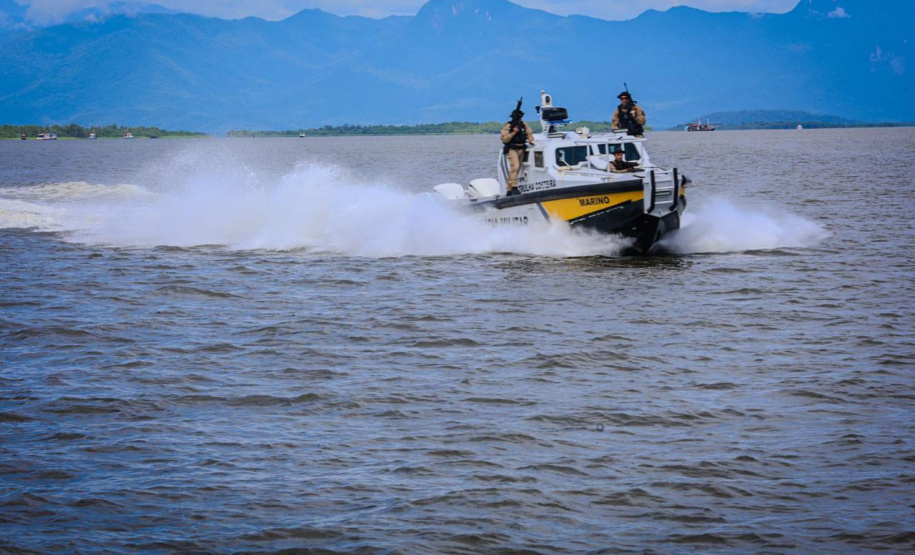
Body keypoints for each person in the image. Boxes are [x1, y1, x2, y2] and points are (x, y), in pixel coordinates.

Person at [500, 104, 535, 196]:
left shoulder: (523, 125)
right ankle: (514, 187)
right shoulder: (509, 126)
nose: (520, 119)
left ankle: (509, 189)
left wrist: (531, 140)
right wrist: (513, 132)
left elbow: (529, 133)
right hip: (512, 148)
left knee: (516, 169)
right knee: (514, 167)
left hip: (521, 148)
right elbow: (504, 139)